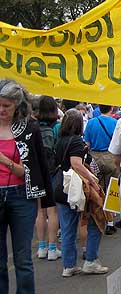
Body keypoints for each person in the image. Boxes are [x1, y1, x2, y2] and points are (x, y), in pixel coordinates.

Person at [0, 79, 54, 294]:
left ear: (17, 106)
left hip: (21, 196)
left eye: (6, 106)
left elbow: (34, 169)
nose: (1, 110)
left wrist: (6, 162)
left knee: (22, 258)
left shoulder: (28, 129)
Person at [54, 109, 110, 278]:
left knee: (67, 229)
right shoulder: (77, 142)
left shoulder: (60, 141)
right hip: (79, 190)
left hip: (62, 188)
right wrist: (93, 182)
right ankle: (91, 260)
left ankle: (69, 265)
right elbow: (76, 164)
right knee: (95, 221)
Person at [34, 96, 61, 261]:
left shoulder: (33, 127)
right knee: (53, 211)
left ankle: (41, 247)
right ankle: (53, 248)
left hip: (37, 173)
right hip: (52, 172)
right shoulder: (57, 127)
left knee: (40, 211)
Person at [84, 104, 118, 235]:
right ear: (111, 108)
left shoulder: (92, 122)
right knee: (111, 190)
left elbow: (87, 143)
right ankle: (110, 222)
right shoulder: (115, 122)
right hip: (110, 157)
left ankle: (98, 218)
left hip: (95, 158)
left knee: (98, 189)